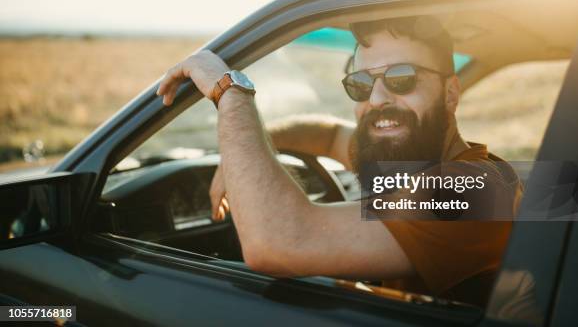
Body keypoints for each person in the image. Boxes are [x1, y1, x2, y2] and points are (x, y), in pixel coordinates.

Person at [156, 16, 522, 305]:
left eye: (401, 78)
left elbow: (278, 242)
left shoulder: (475, 190)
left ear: (451, 93)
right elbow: (329, 134)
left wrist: (230, 92)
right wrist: (243, 154)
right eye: (361, 83)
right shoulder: (408, 156)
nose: (377, 99)